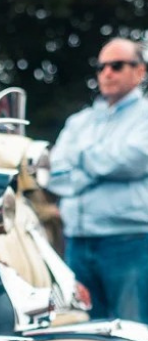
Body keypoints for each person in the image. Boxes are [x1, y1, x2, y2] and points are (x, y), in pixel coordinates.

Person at [47, 37, 148, 322]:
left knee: (136, 334)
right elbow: (54, 174)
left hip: (129, 241)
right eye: (102, 66)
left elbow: (134, 159)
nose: (107, 73)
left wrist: (78, 161)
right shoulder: (79, 121)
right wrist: (98, 167)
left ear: (140, 71)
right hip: (77, 242)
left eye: (117, 65)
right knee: (83, 333)